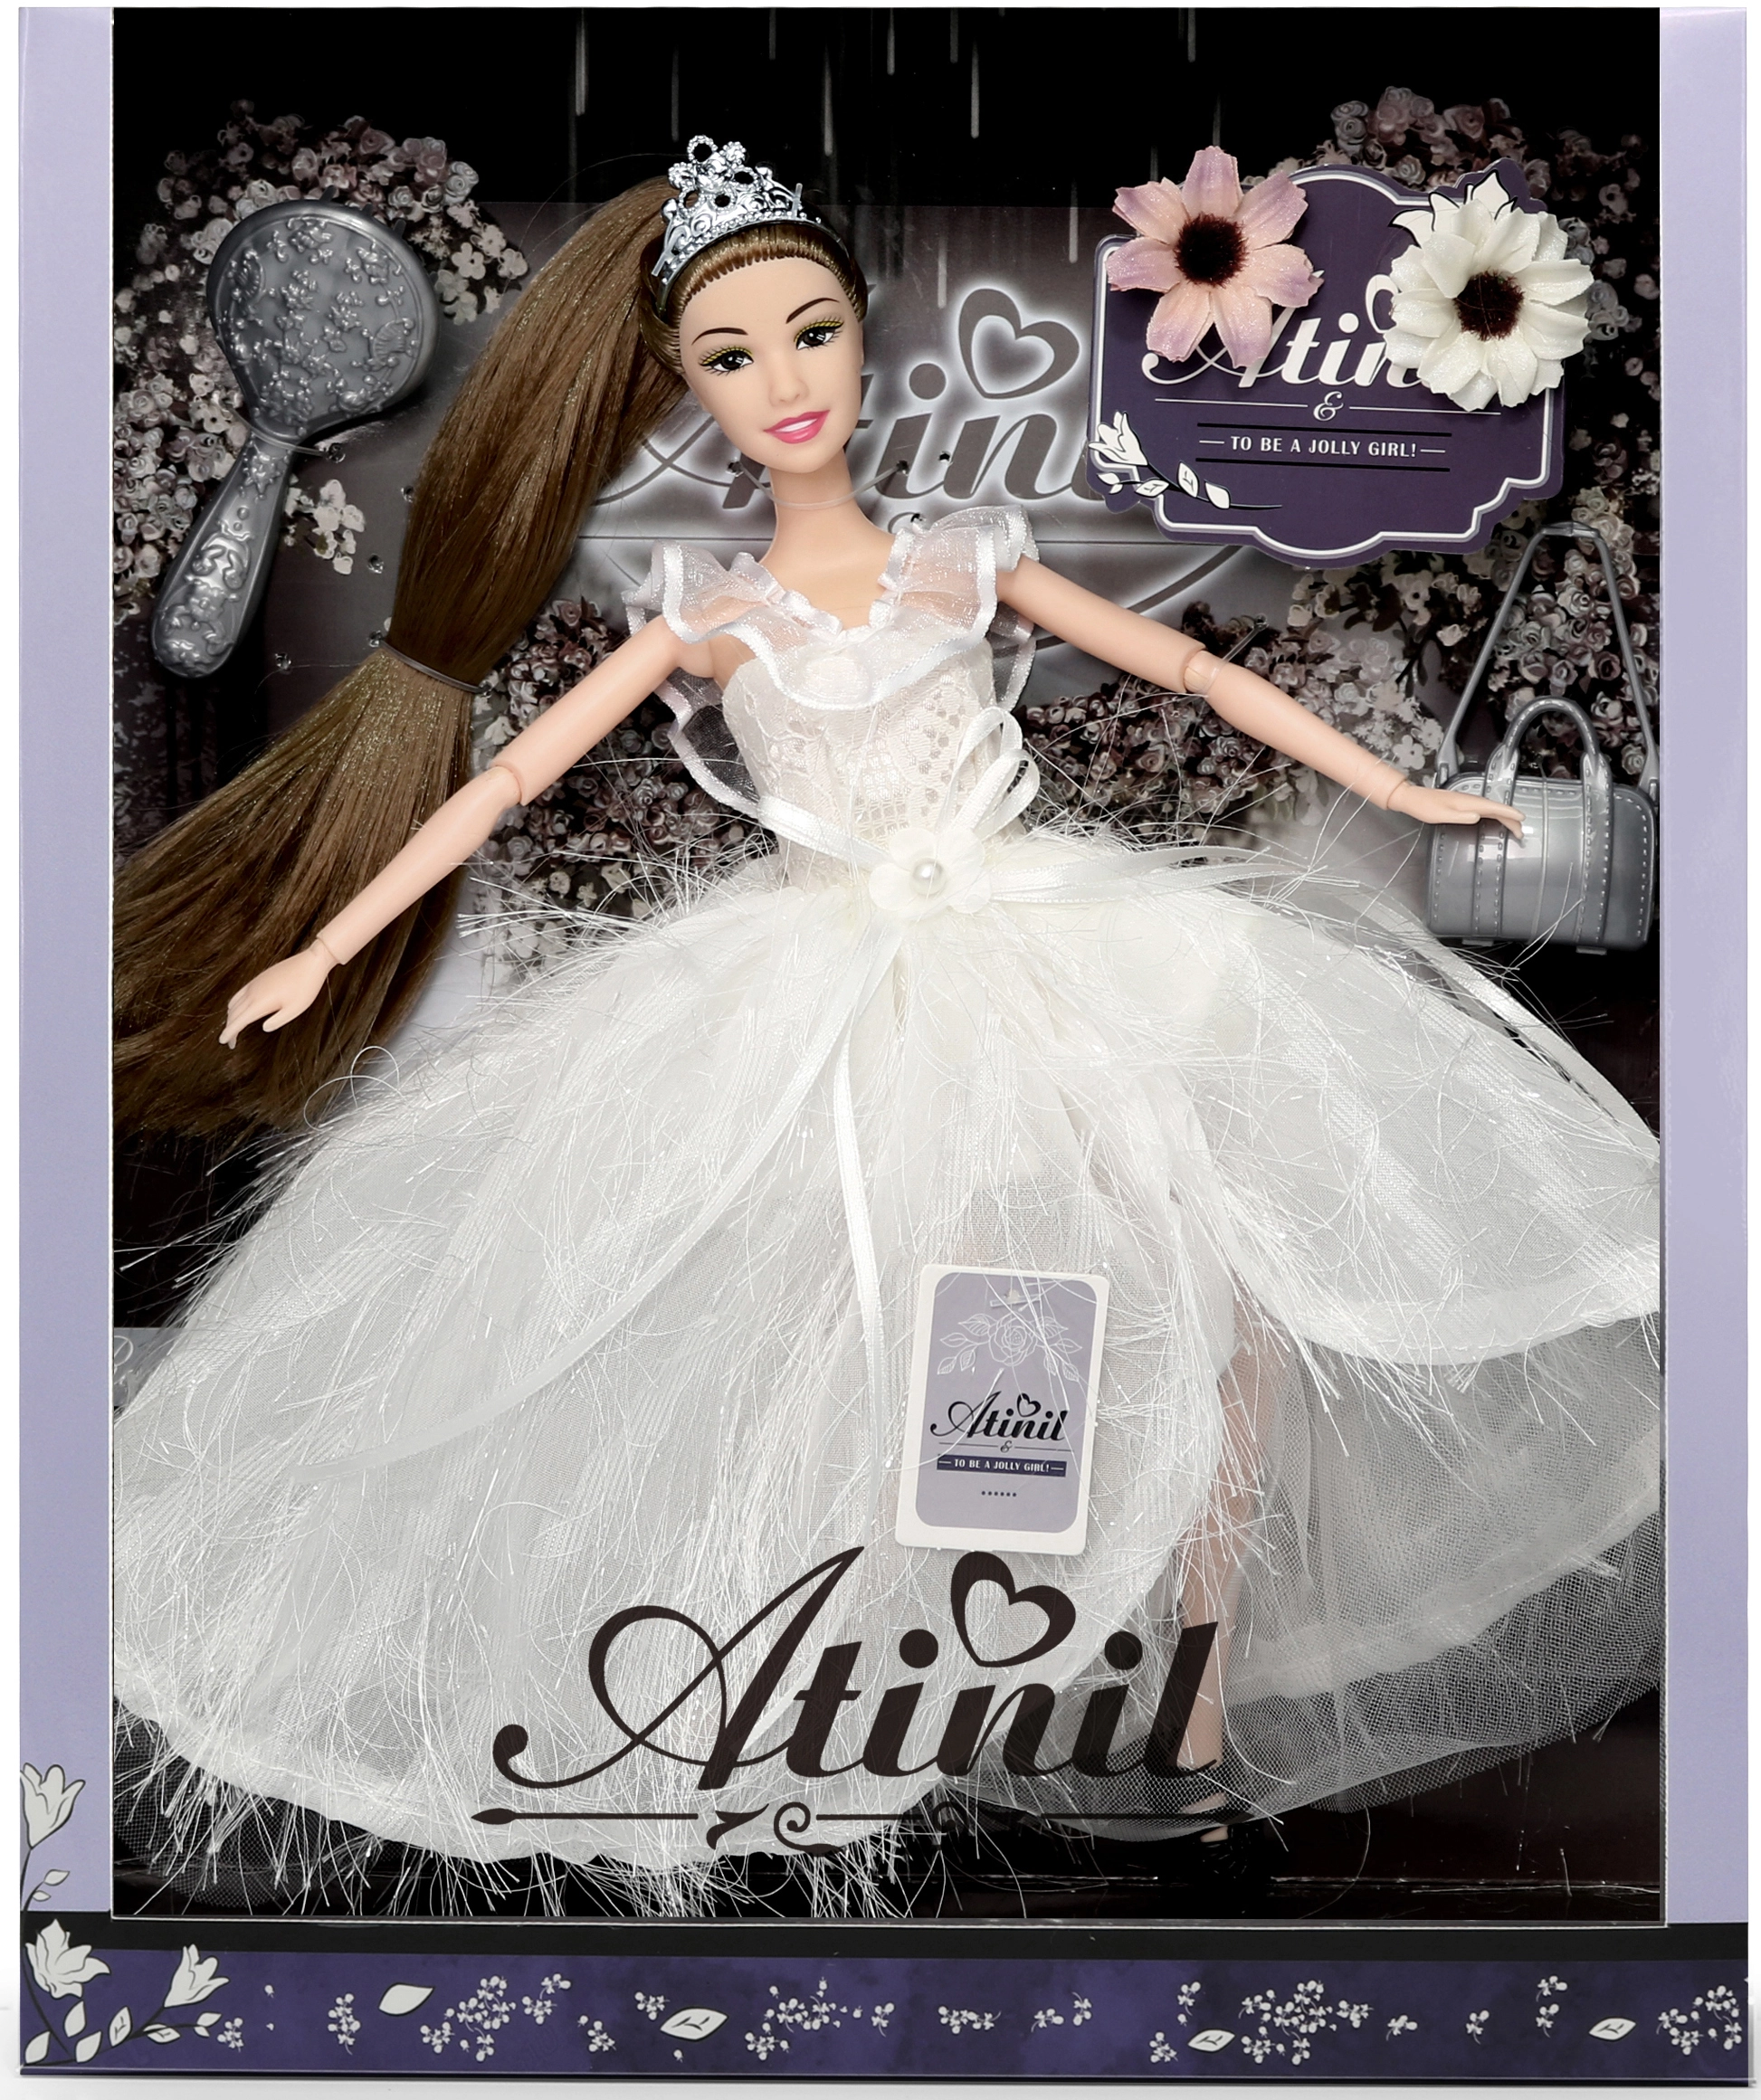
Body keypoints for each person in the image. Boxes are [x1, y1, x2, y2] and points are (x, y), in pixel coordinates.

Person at [111, 139, 1659, 1915]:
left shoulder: (958, 560)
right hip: (821, 984)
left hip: (1043, 946)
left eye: (810, 333)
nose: (783, 380)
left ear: (861, 338)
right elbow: (503, 781)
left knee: (1199, 1279)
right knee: (850, 1324)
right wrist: (327, 943)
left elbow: (1189, 668)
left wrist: (1401, 787)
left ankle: (1186, 1696)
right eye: (731, 354)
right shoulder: (708, 618)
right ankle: (909, 1689)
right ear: (686, 386)